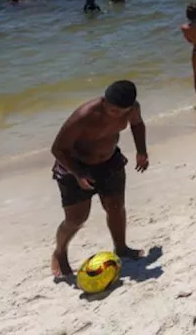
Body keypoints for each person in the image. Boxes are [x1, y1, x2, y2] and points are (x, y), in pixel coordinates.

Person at [49, 80, 148, 278]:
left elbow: (137, 124)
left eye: (122, 112)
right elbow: (58, 148)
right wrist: (78, 173)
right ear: (104, 101)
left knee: (115, 207)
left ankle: (121, 248)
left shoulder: (131, 109)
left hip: (109, 162)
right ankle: (60, 253)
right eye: (112, 110)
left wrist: (141, 151)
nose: (117, 115)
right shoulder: (85, 116)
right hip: (75, 166)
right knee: (76, 219)